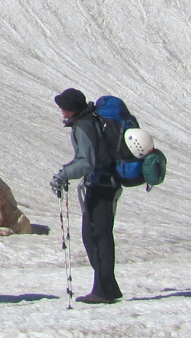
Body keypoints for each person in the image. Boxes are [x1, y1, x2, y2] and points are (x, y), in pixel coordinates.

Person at [50, 88, 122, 303]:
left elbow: (87, 161)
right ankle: (108, 287)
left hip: (100, 186)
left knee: (96, 238)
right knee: (99, 236)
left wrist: (62, 175)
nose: (61, 111)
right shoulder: (91, 121)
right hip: (108, 183)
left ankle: (104, 290)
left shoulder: (84, 126)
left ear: (71, 109)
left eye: (63, 107)